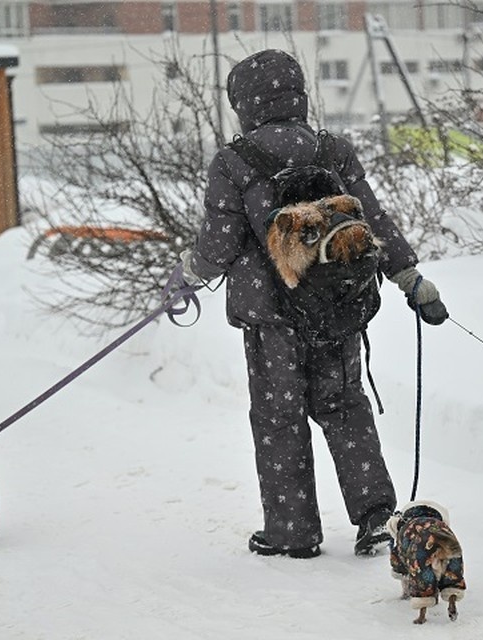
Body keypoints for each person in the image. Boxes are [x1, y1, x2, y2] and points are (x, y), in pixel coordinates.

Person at [179, 49, 448, 558]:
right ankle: (375, 518)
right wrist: (409, 277)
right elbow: (374, 220)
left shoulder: (234, 163)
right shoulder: (333, 151)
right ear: (298, 95)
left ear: (245, 104)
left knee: (279, 417)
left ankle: (293, 531)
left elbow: (217, 247)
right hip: (335, 309)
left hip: (271, 319)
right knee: (345, 407)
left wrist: (189, 274)